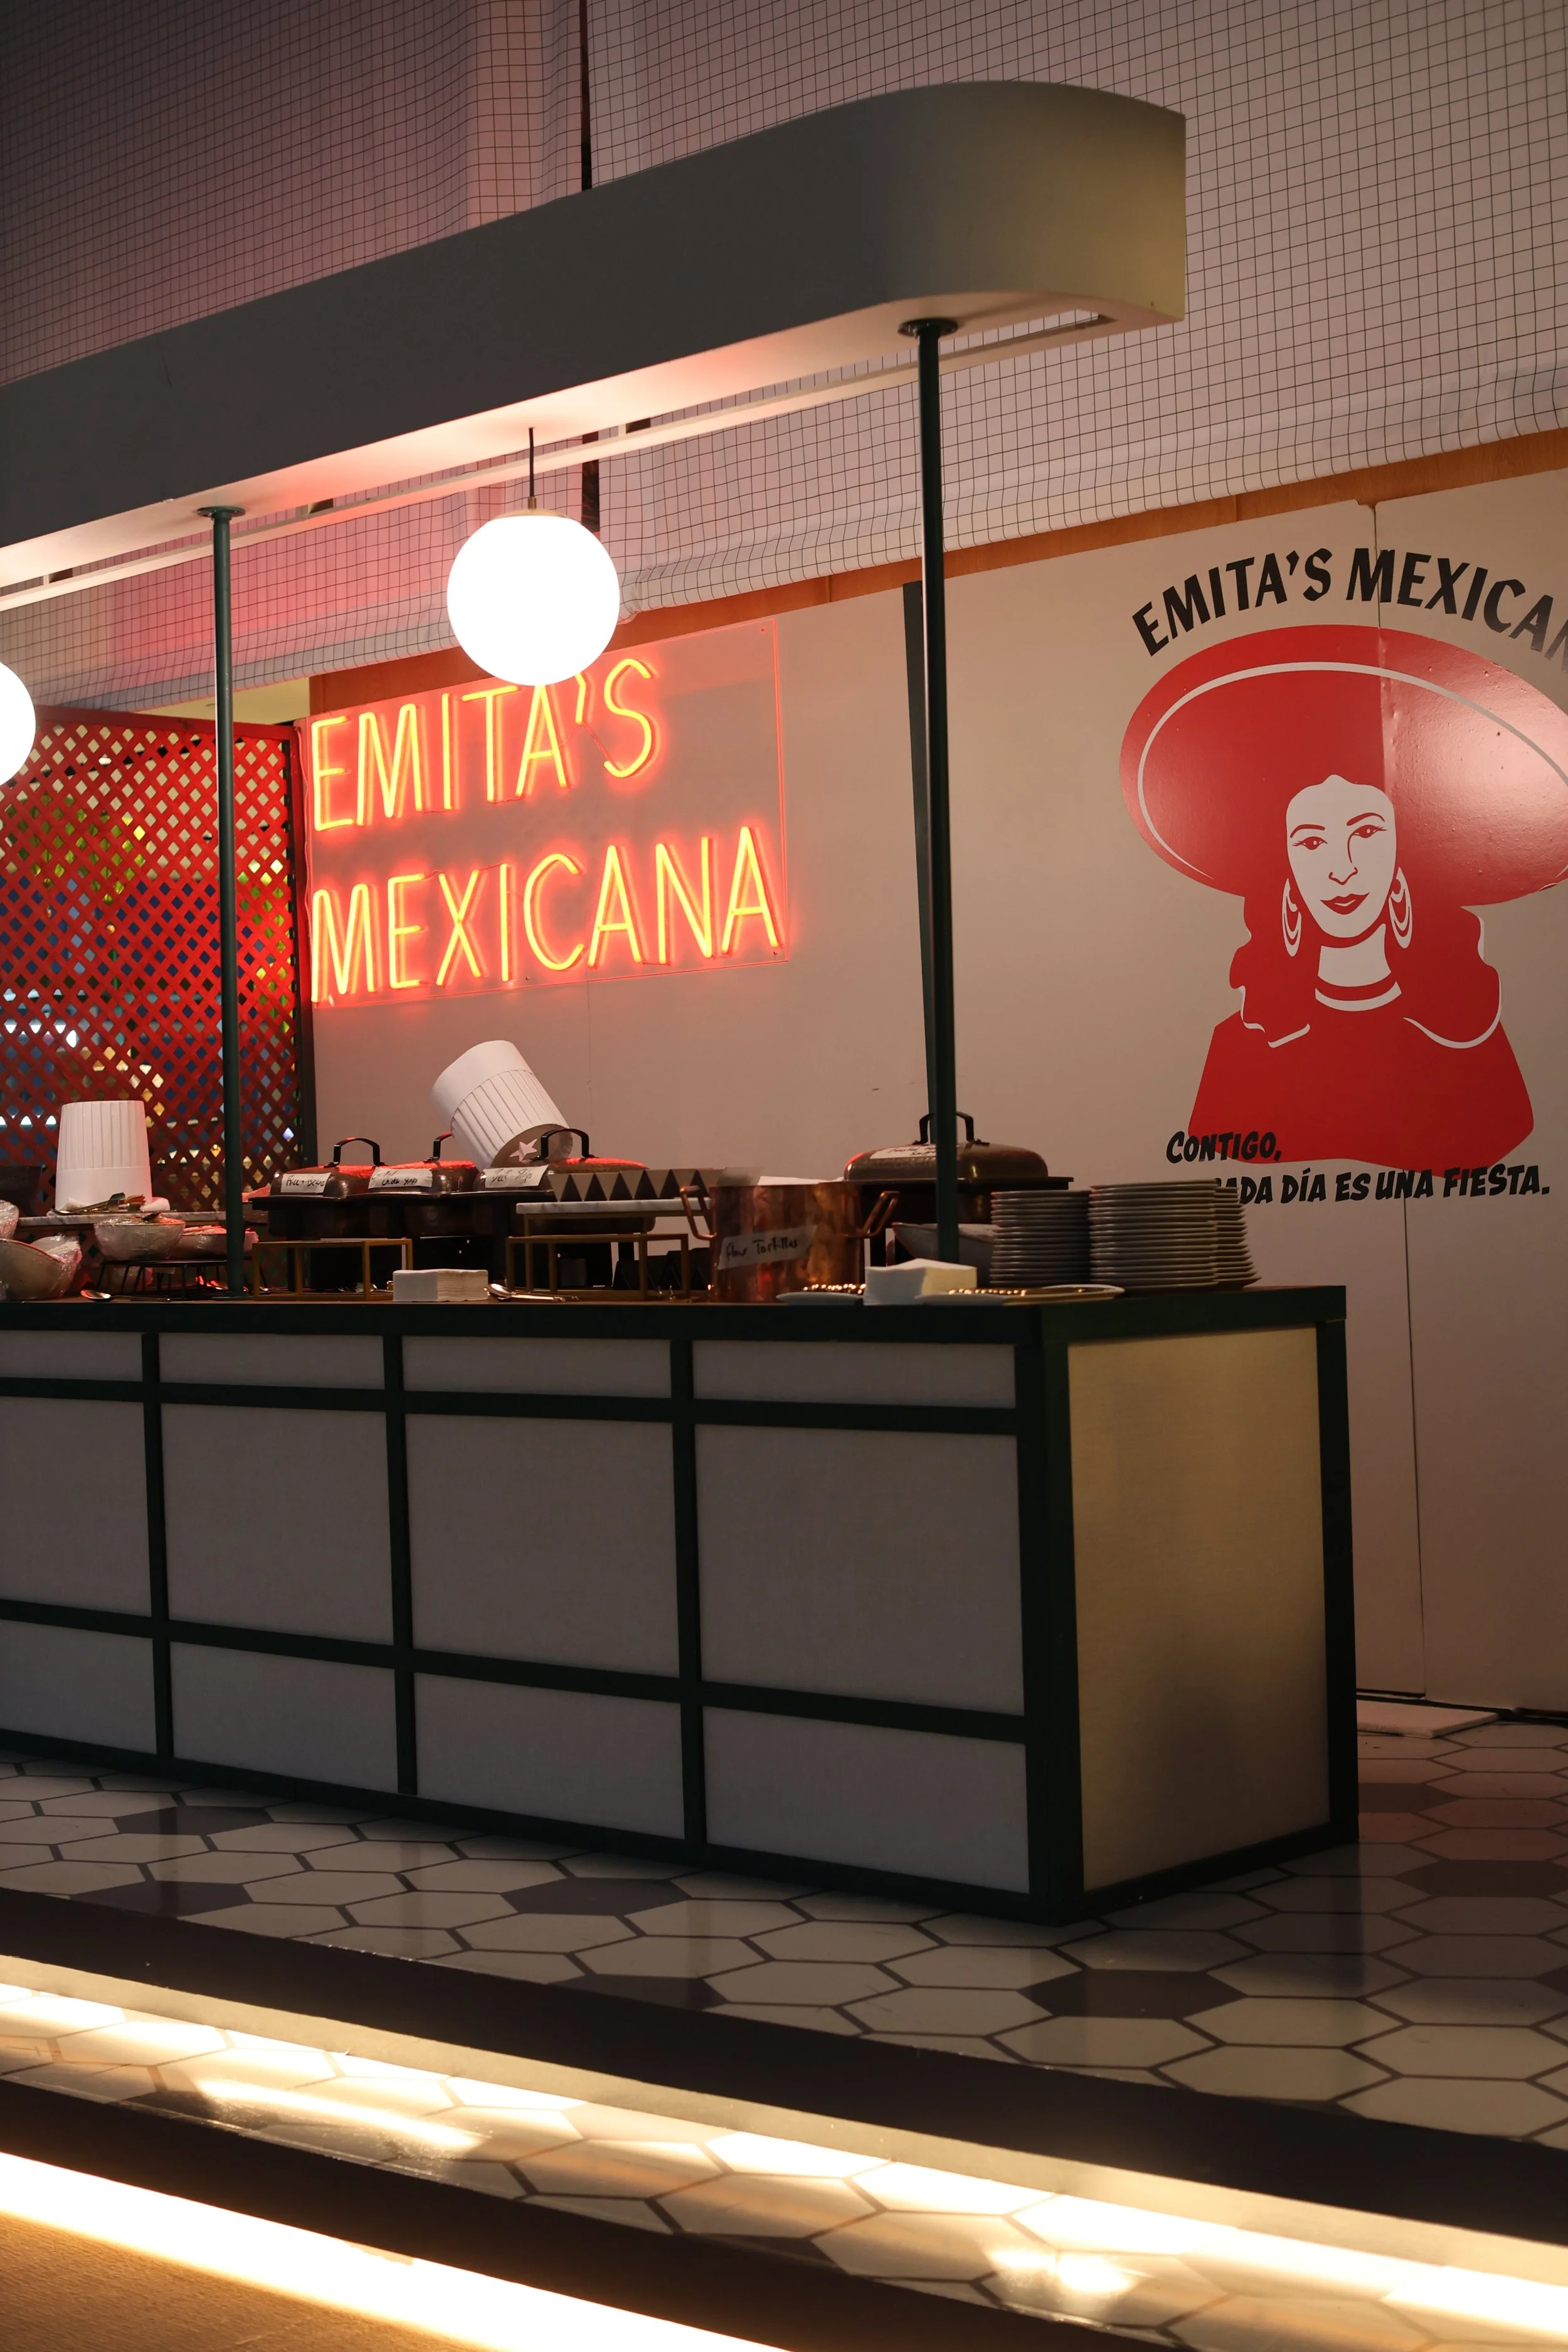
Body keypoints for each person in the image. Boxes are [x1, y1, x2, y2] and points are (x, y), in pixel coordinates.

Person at [1120, 625, 1568, 1167]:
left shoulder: (1469, 1035)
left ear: (1407, 853)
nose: (1342, 869)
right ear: (1283, 867)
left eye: (1368, 833)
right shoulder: (1241, 1045)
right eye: (1312, 842)